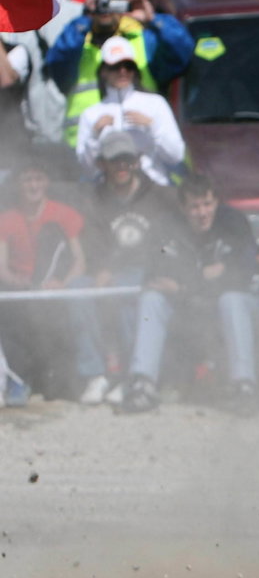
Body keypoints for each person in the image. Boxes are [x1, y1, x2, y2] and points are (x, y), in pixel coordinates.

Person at [117, 173, 259, 415]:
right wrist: (208, 276)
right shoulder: (165, 227)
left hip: (232, 304)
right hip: (185, 306)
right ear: (183, 207)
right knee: (151, 299)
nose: (202, 212)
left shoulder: (234, 223)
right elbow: (156, 275)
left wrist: (186, 284)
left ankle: (244, 385)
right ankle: (142, 383)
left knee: (232, 299)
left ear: (216, 202)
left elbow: (243, 273)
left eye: (207, 204)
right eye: (194, 206)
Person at [74, 130, 180, 406]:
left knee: (128, 289)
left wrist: (117, 269)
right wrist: (102, 269)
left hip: (147, 271)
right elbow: (92, 243)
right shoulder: (93, 199)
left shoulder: (163, 196)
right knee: (76, 290)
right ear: (101, 164)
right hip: (107, 271)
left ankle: (132, 376)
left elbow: (171, 241)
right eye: (114, 160)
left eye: (127, 160)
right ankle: (95, 374)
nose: (122, 166)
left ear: (137, 161)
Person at [45, 0, 195, 147]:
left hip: (138, 147)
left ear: (121, 4)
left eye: (111, 2)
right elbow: (57, 60)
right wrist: (86, 17)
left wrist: (153, 19)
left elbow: (182, 52)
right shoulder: (77, 46)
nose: (105, 7)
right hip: (84, 147)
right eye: (99, 2)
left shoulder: (141, 42)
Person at [0, 161, 88, 399]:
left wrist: (63, 284)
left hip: (55, 289)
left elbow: (79, 261)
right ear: (18, 184)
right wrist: (17, 283)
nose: (33, 185)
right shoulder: (6, 219)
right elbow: (2, 265)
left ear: (47, 182)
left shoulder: (64, 214)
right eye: (28, 179)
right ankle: (18, 380)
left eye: (38, 179)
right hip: (20, 291)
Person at [75, 36, 186, 186]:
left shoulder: (156, 103)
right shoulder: (91, 114)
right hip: (110, 196)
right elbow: (87, 169)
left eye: (128, 66)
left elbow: (176, 156)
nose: (122, 72)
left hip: (154, 191)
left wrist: (153, 127)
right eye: (115, 67)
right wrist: (94, 136)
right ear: (103, 72)